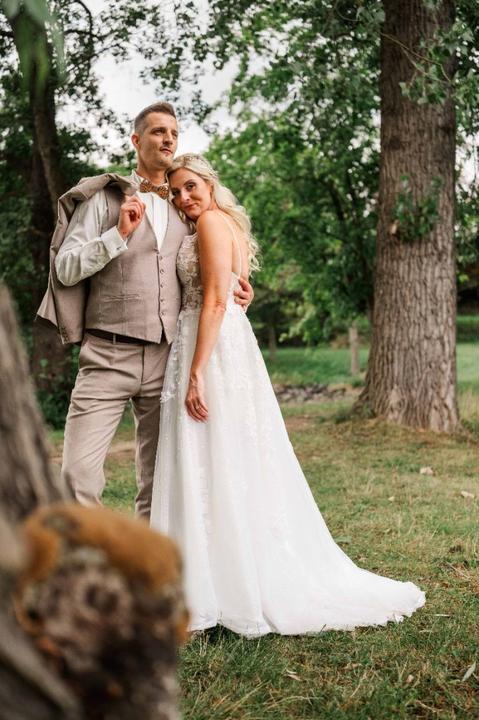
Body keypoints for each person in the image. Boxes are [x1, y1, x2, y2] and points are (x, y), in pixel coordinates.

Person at [150, 153, 425, 637]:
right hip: (224, 342)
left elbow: (214, 300)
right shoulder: (223, 224)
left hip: (209, 346)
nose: (183, 197)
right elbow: (231, 288)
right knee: (226, 455)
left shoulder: (210, 223)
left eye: (190, 186)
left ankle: (222, 585)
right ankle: (220, 577)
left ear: (209, 184)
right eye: (175, 192)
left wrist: (196, 372)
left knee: (213, 453)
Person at [37, 103, 254, 519]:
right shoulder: (104, 199)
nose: (168, 139)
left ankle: (147, 557)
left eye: (173, 132)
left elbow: (211, 266)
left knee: (160, 481)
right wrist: (117, 234)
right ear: (136, 141)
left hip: (167, 357)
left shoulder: (185, 205)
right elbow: (64, 268)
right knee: (78, 475)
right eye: (157, 132)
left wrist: (239, 287)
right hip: (106, 355)